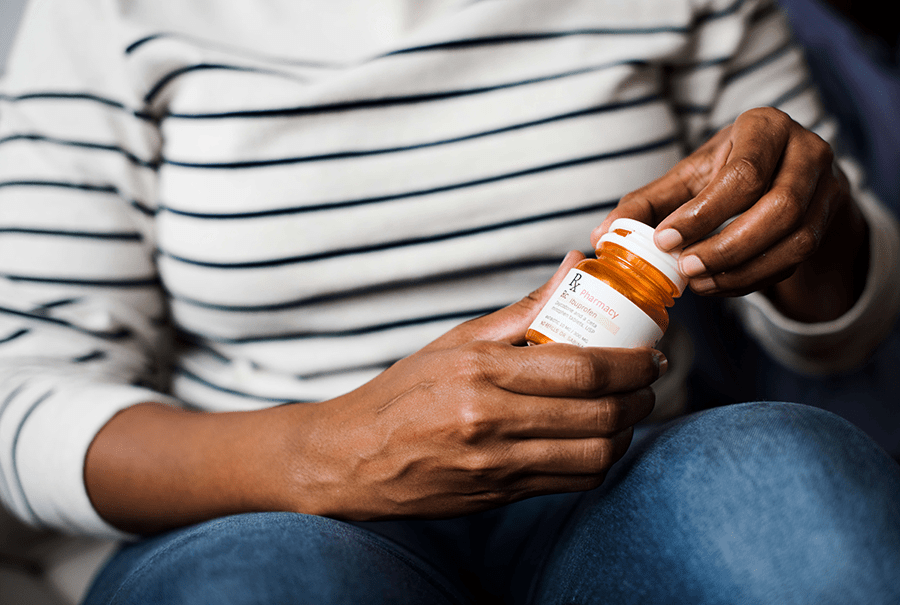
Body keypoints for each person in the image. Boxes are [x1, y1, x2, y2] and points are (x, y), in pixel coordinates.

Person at [1, 0, 899, 603]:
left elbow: (841, 330)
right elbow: (22, 394)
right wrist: (320, 452)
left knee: (783, 489)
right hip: (262, 503)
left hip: (624, 473)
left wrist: (820, 231)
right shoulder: (101, 20)